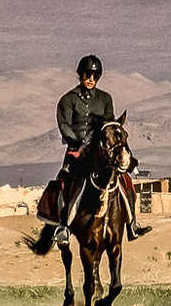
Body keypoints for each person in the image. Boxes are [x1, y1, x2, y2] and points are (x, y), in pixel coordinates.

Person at [50, 55, 151, 242]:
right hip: (77, 150)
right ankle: (63, 227)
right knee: (66, 182)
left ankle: (132, 224)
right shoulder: (67, 100)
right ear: (81, 75)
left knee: (125, 180)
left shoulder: (105, 99)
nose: (91, 79)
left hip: (100, 150)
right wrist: (78, 141)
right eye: (88, 75)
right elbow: (64, 125)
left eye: (95, 76)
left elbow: (109, 124)